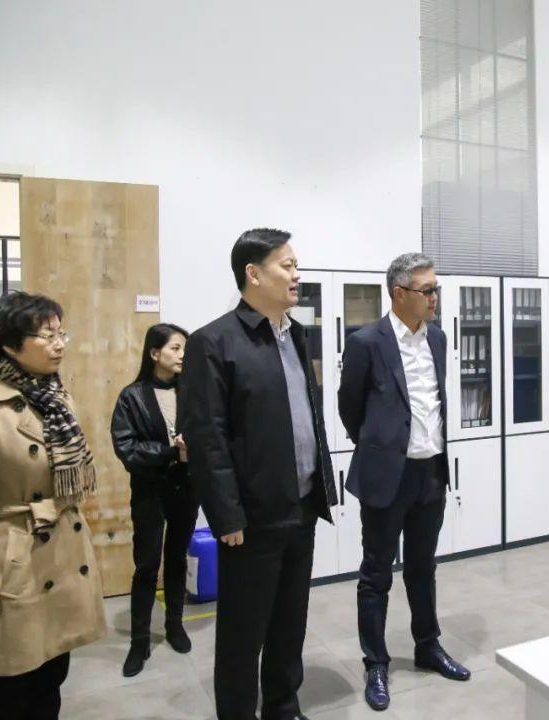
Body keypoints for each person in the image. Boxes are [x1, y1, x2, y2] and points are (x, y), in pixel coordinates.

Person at [180, 228, 338, 720]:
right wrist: (226, 515)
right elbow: (206, 438)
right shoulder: (214, 342)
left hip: (302, 506)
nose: (297, 275)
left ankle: (283, 708)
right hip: (251, 519)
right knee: (243, 635)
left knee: (290, 624)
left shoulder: (296, 335)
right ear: (253, 273)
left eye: (296, 266)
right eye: (287, 265)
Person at [0, 291, 107, 719]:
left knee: (50, 683)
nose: (59, 344)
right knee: (9, 692)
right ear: (11, 346)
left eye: (61, 333)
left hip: (61, 555)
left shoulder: (57, 398)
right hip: (11, 566)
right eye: (46, 336)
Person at [338, 252, 470, 712]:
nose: (435, 298)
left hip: (430, 472)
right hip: (387, 476)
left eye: (436, 289)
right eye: (427, 290)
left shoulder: (438, 338)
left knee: (422, 567)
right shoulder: (366, 343)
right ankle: (376, 663)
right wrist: (380, 448)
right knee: (376, 574)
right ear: (399, 293)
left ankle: (427, 645)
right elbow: (350, 408)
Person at [110, 323, 198, 677]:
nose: (182, 355)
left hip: (186, 487)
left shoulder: (192, 390)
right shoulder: (132, 396)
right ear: (154, 353)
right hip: (150, 490)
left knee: (176, 558)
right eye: (175, 348)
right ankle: (140, 641)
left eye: (184, 349)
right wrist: (170, 452)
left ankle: (175, 625)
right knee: (146, 565)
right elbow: (126, 448)